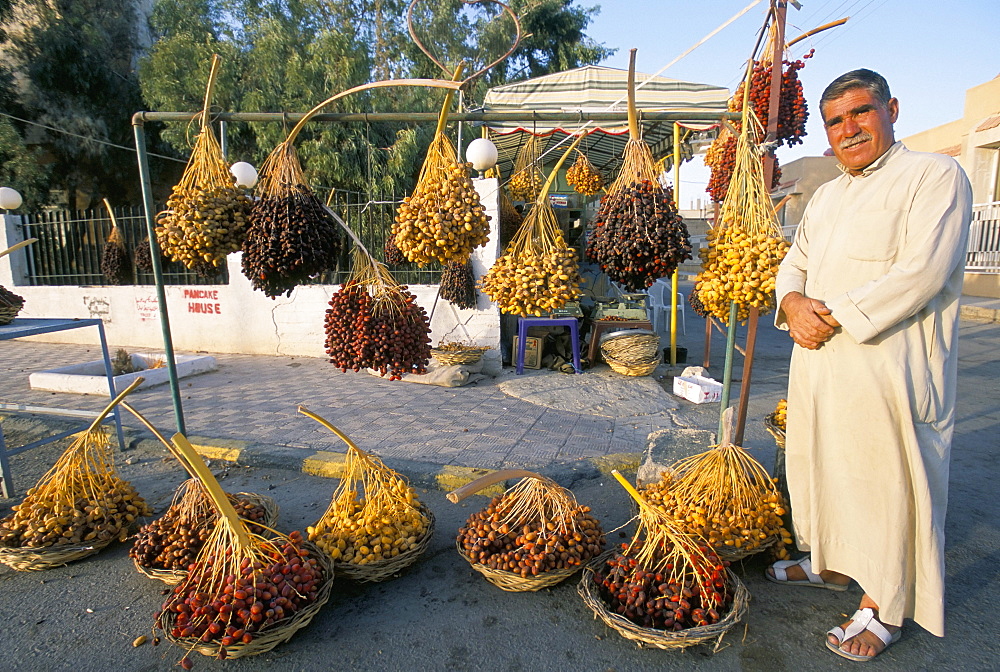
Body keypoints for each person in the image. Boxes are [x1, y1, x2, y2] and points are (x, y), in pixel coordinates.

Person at [767, 68, 972, 662]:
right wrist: (791, 302)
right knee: (823, 464)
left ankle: (885, 602)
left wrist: (826, 316)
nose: (848, 129)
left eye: (861, 112)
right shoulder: (828, 194)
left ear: (893, 109)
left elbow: (923, 272)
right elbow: (794, 263)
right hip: (821, 361)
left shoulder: (933, 176)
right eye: (835, 121)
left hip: (891, 367)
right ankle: (829, 563)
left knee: (885, 482)